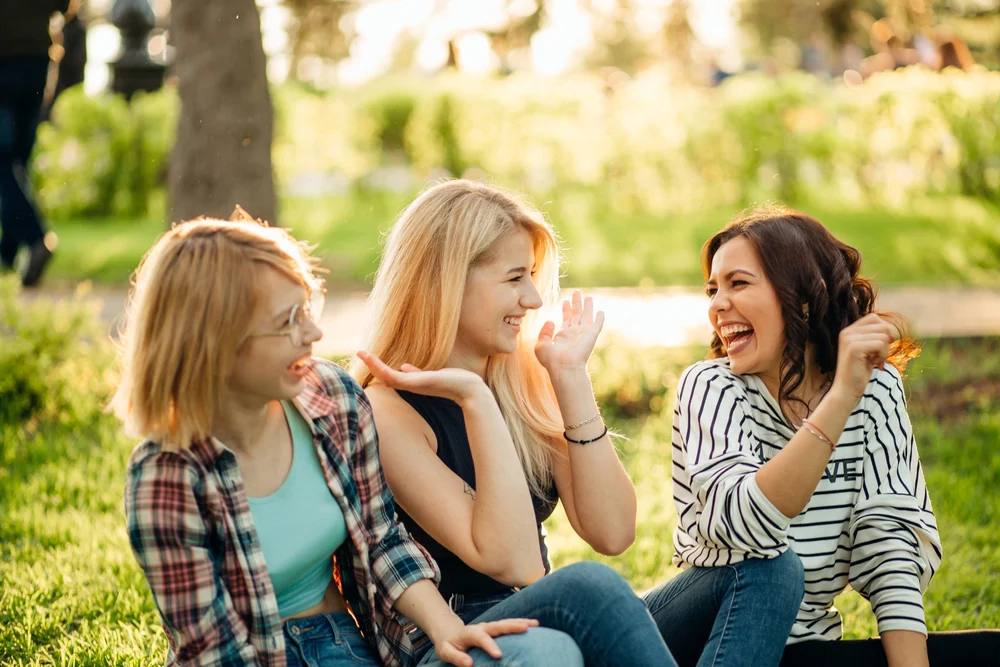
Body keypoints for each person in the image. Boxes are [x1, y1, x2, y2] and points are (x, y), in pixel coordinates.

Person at [351, 179, 802, 667]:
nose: (531, 299)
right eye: (513, 278)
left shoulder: (520, 382)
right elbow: (514, 561)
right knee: (586, 587)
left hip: (552, 616)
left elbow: (613, 531)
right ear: (449, 281)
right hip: (456, 641)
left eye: (532, 276)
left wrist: (569, 378)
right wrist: (475, 401)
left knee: (768, 566)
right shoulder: (388, 410)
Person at [115, 212, 539, 667]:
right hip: (260, 658)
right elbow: (213, 651)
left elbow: (382, 541)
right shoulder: (165, 479)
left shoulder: (332, 399)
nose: (313, 334)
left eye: (308, 309)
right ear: (215, 341)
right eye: (288, 320)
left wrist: (446, 628)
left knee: (585, 594)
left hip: (350, 646)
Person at [670, 204, 1000, 667]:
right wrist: (840, 399)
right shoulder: (710, 386)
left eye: (738, 283)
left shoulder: (875, 387)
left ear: (803, 298)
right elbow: (747, 529)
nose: (717, 305)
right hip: (701, 642)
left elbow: (889, 545)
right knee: (775, 571)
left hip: (808, 648)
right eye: (713, 289)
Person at [0, 0, 74, 286]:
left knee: (5, 161)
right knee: (17, 161)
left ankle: (34, 237)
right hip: (35, 60)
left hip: (6, 61)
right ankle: (8, 254)